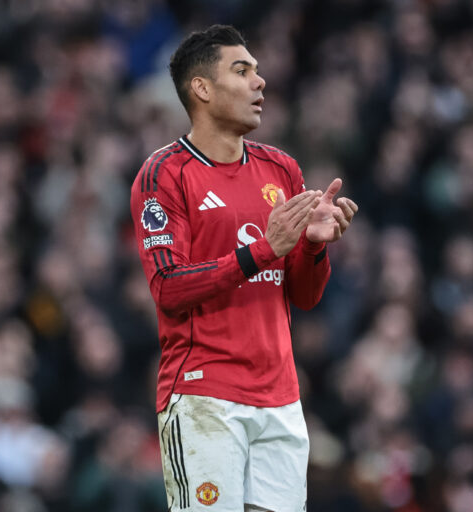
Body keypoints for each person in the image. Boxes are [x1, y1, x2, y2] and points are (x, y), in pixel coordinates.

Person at [130, 25, 358, 512]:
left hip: (280, 397)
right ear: (202, 88)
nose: (261, 82)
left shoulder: (282, 170)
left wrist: (314, 250)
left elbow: (304, 295)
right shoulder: (164, 174)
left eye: (257, 70)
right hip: (204, 395)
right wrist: (263, 250)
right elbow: (168, 287)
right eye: (243, 70)